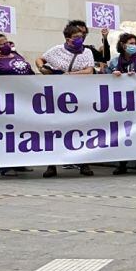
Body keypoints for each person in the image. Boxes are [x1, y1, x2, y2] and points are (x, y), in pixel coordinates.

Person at [37, 22, 98, 178]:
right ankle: (52, 165)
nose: (80, 39)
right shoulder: (56, 50)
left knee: (81, 128)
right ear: (67, 38)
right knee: (55, 128)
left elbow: (89, 70)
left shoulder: (87, 53)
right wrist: (42, 69)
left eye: (81, 36)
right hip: (58, 95)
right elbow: (40, 60)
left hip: (79, 96)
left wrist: (69, 76)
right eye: (76, 37)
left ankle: (84, 163)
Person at [0, 34, 34, 177]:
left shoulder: (16, 54)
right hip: (5, 100)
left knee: (21, 131)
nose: (7, 45)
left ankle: (19, 163)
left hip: (23, 99)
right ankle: (5, 166)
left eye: (8, 42)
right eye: (2, 43)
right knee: (7, 132)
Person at [107, 33, 136, 175]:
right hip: (121, 104)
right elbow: (104, 81)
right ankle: (122, 164)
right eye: (130, 43)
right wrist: (112, 75)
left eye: (135, 43)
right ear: (122, 45)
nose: (133, 46)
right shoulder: (114, 63)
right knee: (122, 134)